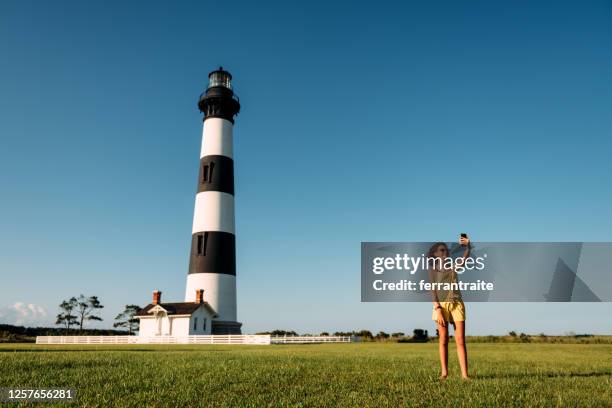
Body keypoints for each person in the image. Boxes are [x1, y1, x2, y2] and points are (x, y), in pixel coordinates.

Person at [428, 235, 471, 379]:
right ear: (435, 254)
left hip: (457, 304)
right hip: (441, 306)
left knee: (460, 340)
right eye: (441, 250)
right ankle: (444, 373)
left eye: (446, 250)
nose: (444, 252)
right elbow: (432, 290)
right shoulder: (433, 270)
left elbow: (464, 259)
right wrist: (438, 309)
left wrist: (468, 247)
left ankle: (465, 376)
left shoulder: (453, 266)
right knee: (443, 339)